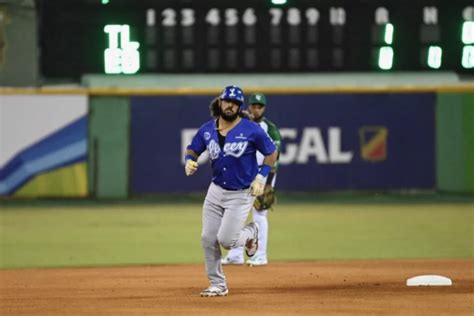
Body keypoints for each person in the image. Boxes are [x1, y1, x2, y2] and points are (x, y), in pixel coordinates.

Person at [185, 85, 278, 297]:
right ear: (220, 102)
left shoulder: (251, 129)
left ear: (239, 107)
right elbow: (193, 148)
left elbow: (271, 153)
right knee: (208, 238)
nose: (231, 105)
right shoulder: (207, 129)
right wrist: (189, 160)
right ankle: (218, 284)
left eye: (235, 103)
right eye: (228, 101)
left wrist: (262, 175)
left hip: (241, 193)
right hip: (215, 191)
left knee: (226, 240)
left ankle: (251, 232)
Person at [221, 93, 281, 266]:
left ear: (264, 108)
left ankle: (260, 255)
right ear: (248, 106)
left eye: (259, 106)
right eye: (253, 105)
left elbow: (274, 156)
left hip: (262, 174)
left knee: (259, 214)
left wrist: (267, 181)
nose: (256, 109)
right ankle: (235, 254)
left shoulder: (270, 129)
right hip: (242, 174)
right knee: (235, 214)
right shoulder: (240, 125)